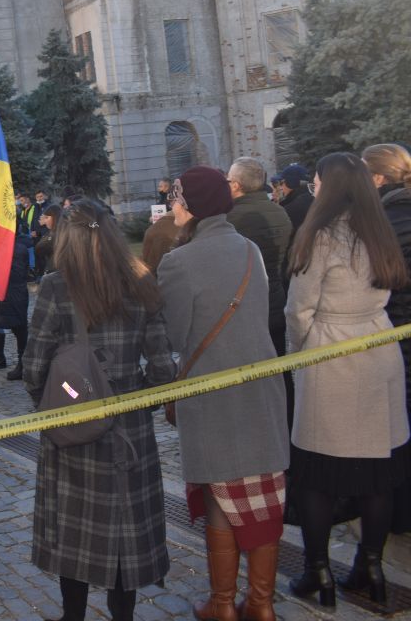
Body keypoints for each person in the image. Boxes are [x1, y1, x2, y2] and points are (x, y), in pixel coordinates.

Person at [22, 200, 175, 621]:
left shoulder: (56, 286)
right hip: (129, 427)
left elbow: (34, 367)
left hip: (72, 426)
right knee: (124, 533)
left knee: (75, 533)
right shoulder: (141, 281)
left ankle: (73, 617)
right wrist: (137, 401)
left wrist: (58, 407)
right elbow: (163, 369)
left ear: (66, 239)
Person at [157, 167, 290, 621]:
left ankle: (222, 604)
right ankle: (261, 604)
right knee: (262, 495)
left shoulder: (178, 262)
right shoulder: (250, 249)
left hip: (212, 392)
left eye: (177, 198)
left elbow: (176, 336)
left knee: (219, 494)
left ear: (192, 205)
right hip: (260, 388)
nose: (172, 206)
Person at [284, 152, 409, 606]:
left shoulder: (319, 236)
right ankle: (370, 566)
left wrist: (296, 356)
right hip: (378, 347)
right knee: (378, 472)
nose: (313, 186)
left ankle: (318, 571)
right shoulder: (379, 229)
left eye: (317, 180)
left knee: (318, 474)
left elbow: (299, 309)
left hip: (330, 353)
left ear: (329, 185)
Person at [362, 143, 411, 535]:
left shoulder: (382, 223)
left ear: (378, 178)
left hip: (395, 332)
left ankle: (401, 513)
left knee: (399, 427)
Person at [226, 157, 293, 358]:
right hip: (276, 298)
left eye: (228, 180)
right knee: (279, 360)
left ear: (236, 185)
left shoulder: (229, 219)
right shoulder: (280, 212)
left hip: (245, 306)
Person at [0, 231, 30, 380]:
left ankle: (23, 366)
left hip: (13, 294)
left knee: (20, 330)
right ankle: (21, 364)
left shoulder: (11, 249)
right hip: (15, 293)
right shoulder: (17, 247)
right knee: (20, 330)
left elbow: (11, 274)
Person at [279, 164, 314, 235]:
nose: (280, 187)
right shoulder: (312, 198)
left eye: (282, 183)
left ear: (291, 183)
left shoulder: (293, 207)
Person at [34, 204, 61, 277]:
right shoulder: (52, 231)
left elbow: (40, 248)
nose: (45, 221)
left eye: (47, 217)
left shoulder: (58, 233)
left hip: (56, 272)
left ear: (55, 217)